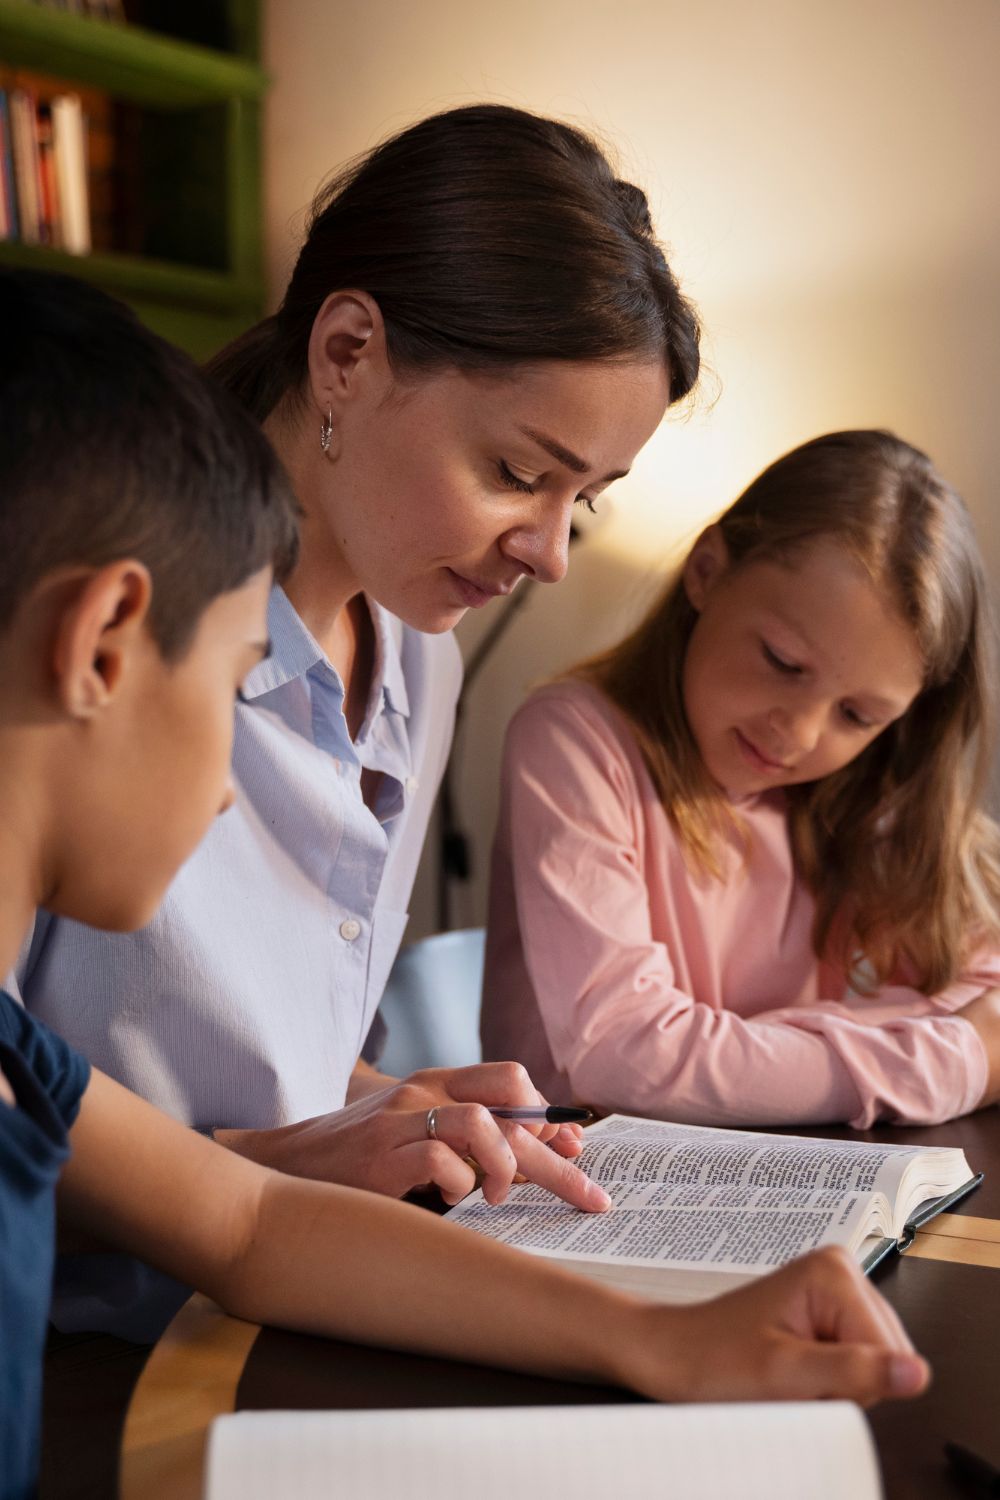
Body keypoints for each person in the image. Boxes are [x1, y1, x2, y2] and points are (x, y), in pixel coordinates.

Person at [1, 272, 929, 1500]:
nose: (234, 790)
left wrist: (658, 1335)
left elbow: (245, 1218)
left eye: (584, 497)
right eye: (232, 682)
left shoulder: (24, 1064)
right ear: (106, 644)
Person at [10, 102, 704, 1339]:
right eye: (515, 473)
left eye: (583, 501)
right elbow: (42, 1095)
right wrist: (262, 1161)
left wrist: (397, 1104)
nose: (547, 554)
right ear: (345, 353)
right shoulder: (119, 628)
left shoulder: (417, 652)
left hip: (297, 1298)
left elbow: (271, 1049)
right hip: (91, 1336)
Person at [482, 430, 1000, 1126]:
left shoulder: (859, 786)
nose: (801, 733)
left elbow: (989, 998)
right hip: (568, 1193)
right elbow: (625, 1053)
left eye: (857, 714)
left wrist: (752, 1057)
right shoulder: (574, 741)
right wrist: (945, 1058)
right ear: (707, 571)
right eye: (784, 663)